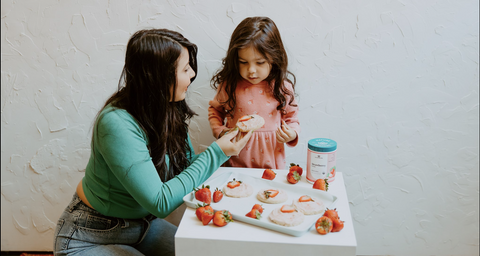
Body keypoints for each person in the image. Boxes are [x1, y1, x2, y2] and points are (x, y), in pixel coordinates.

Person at [53, 28, 252, 256]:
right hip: (89, 237)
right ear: (158, 76)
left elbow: (185, 169)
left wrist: (226, 147)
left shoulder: (167, 109)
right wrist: (216, 152)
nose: (193, 74)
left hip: (142, 228)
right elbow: (160, 202)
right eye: (185, 68)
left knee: (201, 251)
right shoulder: (116, 123)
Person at [208, 16, 300, 170]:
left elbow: (292, 118)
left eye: (260, 62)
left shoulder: (282, 88)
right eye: (243, 62)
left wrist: (292, 134)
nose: (251, 70)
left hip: (272, 167)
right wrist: (220, 131)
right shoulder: (229, 86)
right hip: (234, 165)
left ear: (274, 58)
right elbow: (215, 110)